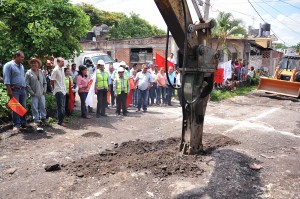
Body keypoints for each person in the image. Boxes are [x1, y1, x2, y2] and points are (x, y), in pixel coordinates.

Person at [3, 51, 27, 131]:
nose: (23, 59)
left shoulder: (22, 66)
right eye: (21, 57)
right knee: (15, 107)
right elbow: (6, 79)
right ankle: (16, 124)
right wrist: (9, 90)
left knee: (23, 106)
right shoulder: (8, 65)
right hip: (14, 89)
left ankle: (23, 123)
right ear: (16, 56)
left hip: (22, 89)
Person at [25, 57, 47, 124]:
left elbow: (45, 82)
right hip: (34, 94)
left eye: (35, 63)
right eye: (32, 63)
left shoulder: (40, 72)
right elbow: (26, 84)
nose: (34, 64)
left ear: (38, 64)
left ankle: (43, 118)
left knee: (43, 106)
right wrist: (31, 92)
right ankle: (36, 119)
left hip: (41, 93)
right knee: (35, 107)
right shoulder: (28, 73)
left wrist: (44, 90)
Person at [51, 57, 67, 126]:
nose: (63, 63)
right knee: (60, 106)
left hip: (63, 90)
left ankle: (61, 119)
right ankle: (60, 121)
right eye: (62, 61)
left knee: (63, 106)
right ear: (58, 62)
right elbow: (52, 80)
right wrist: (55, 88)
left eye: (63, 61)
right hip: (58, 90)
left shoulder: (62, 69)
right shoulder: (55, 70)